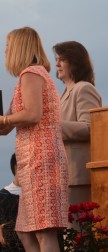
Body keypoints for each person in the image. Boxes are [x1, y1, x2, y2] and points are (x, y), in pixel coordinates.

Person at [0, 27, 68, 252]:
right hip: (34, 163)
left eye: (8, 46)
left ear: (19, 47)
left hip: (42, 160)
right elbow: (2, 128)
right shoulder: (30, 77)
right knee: (24, 231)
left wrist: (5, 118)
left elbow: (32, 114)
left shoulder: (31, 74)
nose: (5, 51)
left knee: (43, 232)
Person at [53, 41, 102, 205]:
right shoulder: (64, 93)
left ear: (75, 62)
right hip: (64, 174)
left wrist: (52, 125)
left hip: (78, 175)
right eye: (56, 59)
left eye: (62, 59)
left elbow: (91, 128)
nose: (57, 64)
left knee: (76, 228)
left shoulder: (84, 88)